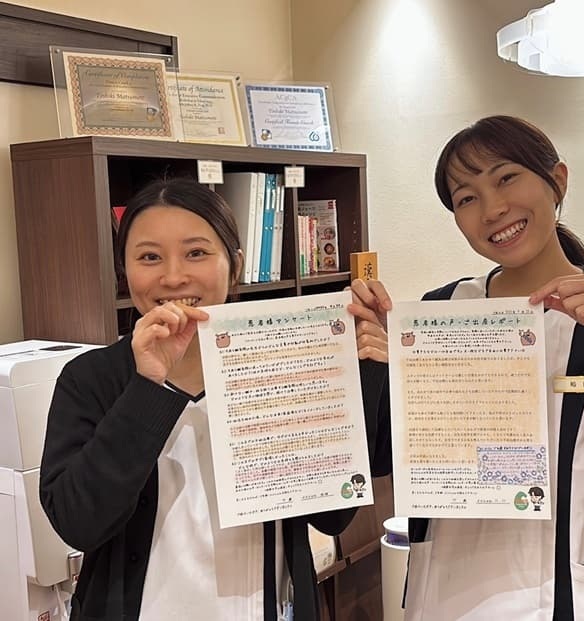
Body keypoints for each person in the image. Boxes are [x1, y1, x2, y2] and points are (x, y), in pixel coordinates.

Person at [348, 115, 584, 620]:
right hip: (451, 593)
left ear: (557, 181)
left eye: (507, 177)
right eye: (466, 198)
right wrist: (375, 365)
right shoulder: (441, 312)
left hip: (583, 597)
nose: (493, 209)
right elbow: (389, 460)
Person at [40, 177, 390, 621]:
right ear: (123, 270)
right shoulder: (90, 378)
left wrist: (362, 370)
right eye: (149, 257)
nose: (173, 277)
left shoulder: (282, 365)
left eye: (196, 253)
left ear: (235, 265)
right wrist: (148, 387)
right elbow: (77, 523)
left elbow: (332, 518)